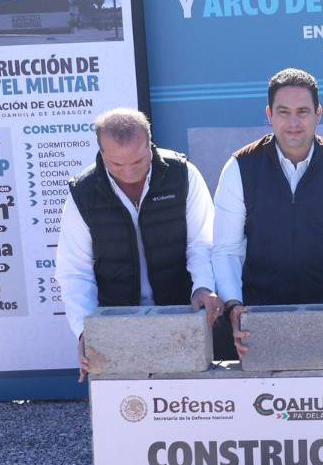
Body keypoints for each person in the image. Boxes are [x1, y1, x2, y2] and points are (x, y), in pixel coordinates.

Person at [212, 68, 323, 359]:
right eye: (284, 112)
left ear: (318, 114)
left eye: (303, 112)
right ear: (269, 114)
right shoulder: (240, 167)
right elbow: (226, 250)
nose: (293, 122)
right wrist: (233, 304)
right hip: (259, 317)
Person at [55, 108, 221, 381]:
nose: (129, 172)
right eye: (117, 164)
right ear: (101, 153)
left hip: (181, 312)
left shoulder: (183, 175)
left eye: (138, 161)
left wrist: (203, 286)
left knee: (189, 400)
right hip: (116, 320)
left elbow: (202, 242)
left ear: (150, 144)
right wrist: (85, 331)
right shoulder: (83, 193)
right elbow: (75, 271)